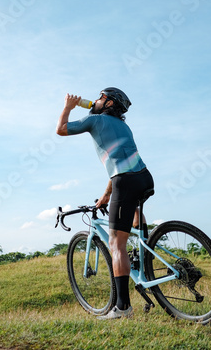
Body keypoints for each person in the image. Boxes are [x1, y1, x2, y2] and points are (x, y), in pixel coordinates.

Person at [56, 87, 154, 320]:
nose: (96, 100)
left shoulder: (95, 120)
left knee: (116, 244)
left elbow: (61, 130)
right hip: (144, 177)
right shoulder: (124, 126)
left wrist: (68, 107)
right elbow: (121, 165)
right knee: (133, 212)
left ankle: (122, 308)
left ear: (109, 104)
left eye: (100, 97)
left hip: (125, 181)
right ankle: (143, 258)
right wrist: (107, 195)